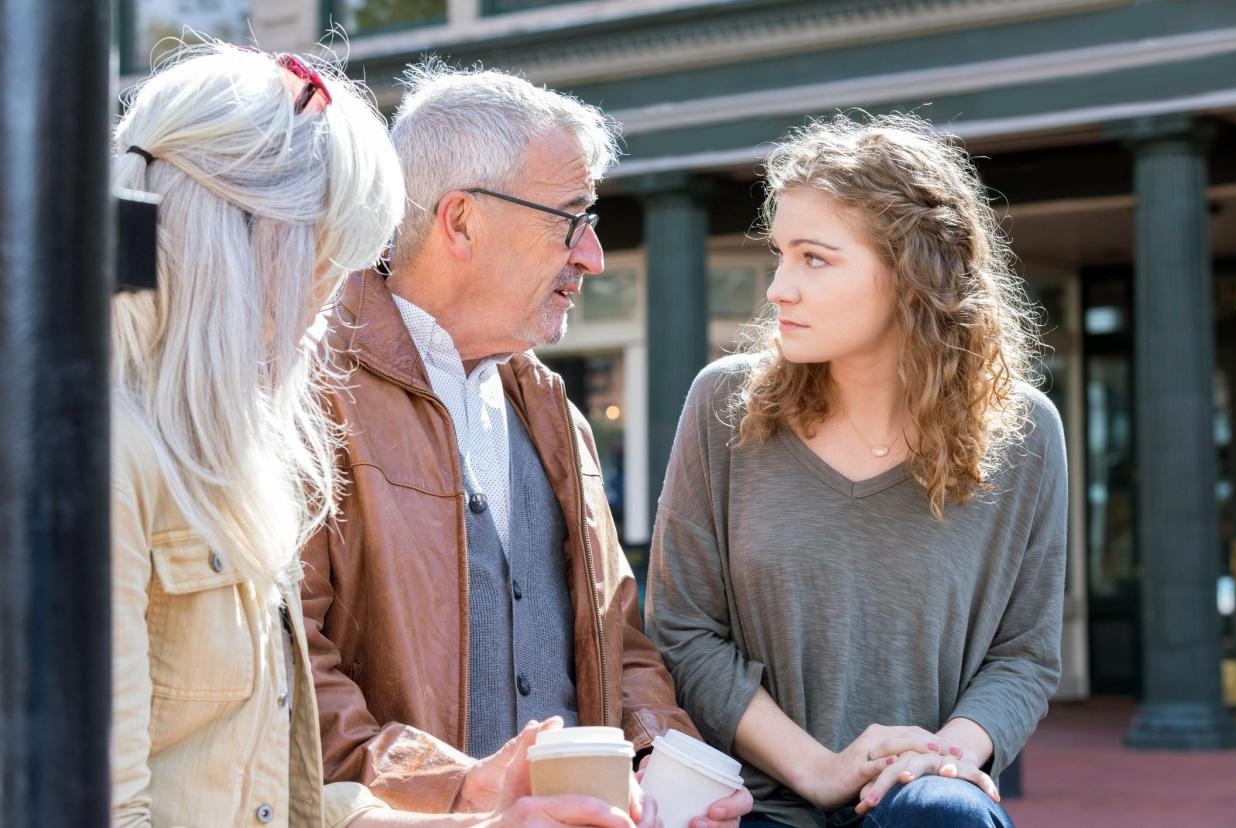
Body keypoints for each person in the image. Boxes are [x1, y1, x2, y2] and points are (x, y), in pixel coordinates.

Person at [110, 43, 635, 828]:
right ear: (251, 241)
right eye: (328, 260)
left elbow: (276, 795)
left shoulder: (227, 446)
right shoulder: (106, 455)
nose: (330, 305)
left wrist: (484, 815)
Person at [299, 62, 751, 828]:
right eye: (571, 220)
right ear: (462, 221)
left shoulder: (553, 412)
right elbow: (292, 678)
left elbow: (622, 647)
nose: (592, 257)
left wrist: (663, 764)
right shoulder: (312, 396)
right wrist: (463, 795)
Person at [645, 114, 1068, 828]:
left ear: (911, 276)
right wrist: (822, 770)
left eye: (814, 258)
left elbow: (1024, 655)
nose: (779, 288)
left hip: (922, 804)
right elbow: (683, 631)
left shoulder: (1025, 434)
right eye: (780, 254)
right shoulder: (724, 405)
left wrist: (943, 758)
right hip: (754, 807)